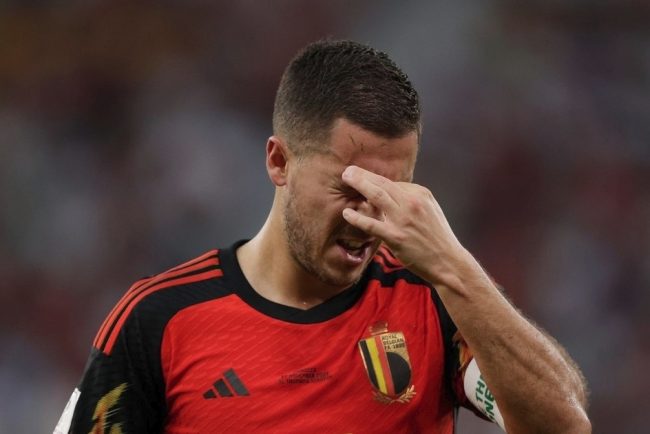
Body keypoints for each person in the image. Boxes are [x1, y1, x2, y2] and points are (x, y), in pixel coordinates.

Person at [55, 40, 590, 433]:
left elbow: (563, 427)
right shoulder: (157, 322)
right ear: (279, 161)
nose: (366, 217)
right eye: (349, 188)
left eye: (391, 192)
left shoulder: (434, 301)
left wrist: (453, 266)